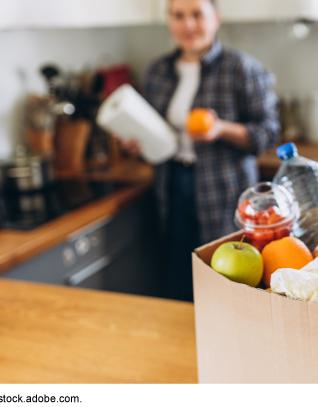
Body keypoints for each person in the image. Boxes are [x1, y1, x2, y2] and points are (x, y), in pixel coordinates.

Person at [121, 0, 280, 302]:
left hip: (224, 188)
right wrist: (136, 144)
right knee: (181, 271)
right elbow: (156, 135)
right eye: (178, 16)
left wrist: (221, 129)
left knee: (227, 276)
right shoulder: (157, 72)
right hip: (172, 185)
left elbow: (269, 132)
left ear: (216, 18)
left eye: (197, 15)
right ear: (169, 21)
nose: (188, 25)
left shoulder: (241, 68)